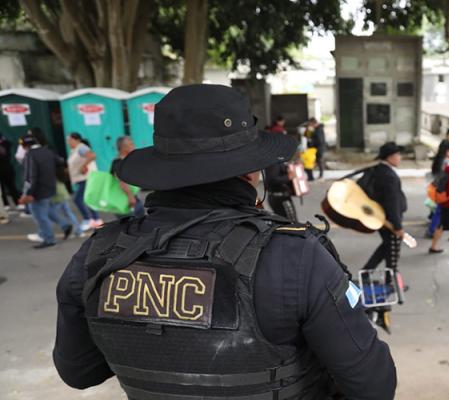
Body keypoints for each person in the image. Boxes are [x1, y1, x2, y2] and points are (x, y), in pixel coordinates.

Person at [52, 84, 396, 400]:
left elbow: (78, 371)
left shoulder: (99, 252)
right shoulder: (296, 256)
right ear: (250, 173)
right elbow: (373, 386)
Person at [17, 135, 74, 248]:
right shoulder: (47, 151)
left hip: (37, 191)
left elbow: (30, 176)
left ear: (25, 145)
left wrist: (28, 194)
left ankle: (49, 239)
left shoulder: (30, 155)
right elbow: (60, 161)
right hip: (50, 188)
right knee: (47, 210)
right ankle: (65, 225)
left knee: (39, 215)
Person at [360, 142, 407, 271]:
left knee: (387, 247)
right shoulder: (389, 176)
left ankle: (366, 274)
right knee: (392, 250)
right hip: (388, 219)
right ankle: (389, 280)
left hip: (381, 215)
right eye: (398, 155)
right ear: (390, 157)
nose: (400, 158)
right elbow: (392, 202)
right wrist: (397, 226)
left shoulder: (379, 169)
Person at [66, 133, 102, 229]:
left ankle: (88, 219)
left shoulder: (81, 148)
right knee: (87, 199)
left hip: (86, 178)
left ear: (77, 140)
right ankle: (96, 220)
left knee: (78, 199)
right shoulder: (74, 150)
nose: (68, 142)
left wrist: (84, 165)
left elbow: (92, 155)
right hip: (82, 179)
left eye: (69, 140)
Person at [427, 141, 449, 238]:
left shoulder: (439, 159)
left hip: (437, 188)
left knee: (443, 210)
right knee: (442, 210)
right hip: (443, 190)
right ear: (448, 152)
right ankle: (432, 231)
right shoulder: (447, 162)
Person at [111, 136, 144, 218]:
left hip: (134, 200)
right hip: (127, 202)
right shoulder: (118, 163)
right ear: (123, 148)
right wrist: (130, 197)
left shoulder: (126, 161)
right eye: (131, 144)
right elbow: (121, 182)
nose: (134, 147)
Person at [0, 132, 22, 210]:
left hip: (7, 169)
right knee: (1, 189)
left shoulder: (6, 144)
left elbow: (5, 151)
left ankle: (18, 203)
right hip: (4, 170)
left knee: (12, 187)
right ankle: (5, 205)